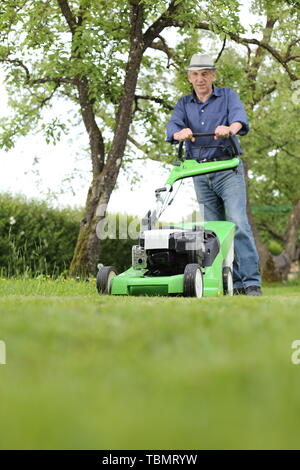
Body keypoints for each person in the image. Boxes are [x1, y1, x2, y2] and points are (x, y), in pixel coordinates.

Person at [166, 53, 262, 296]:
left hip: (227, 169)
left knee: (238, 224)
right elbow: (173, 127)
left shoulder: (227, 95)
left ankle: (250, 283)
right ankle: (231, 283)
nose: (201, 79)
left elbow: (240, 118)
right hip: (200, 172)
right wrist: (180, 133)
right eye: (196, 74)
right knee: (213, 232)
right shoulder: (184, 104)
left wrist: (230, 128)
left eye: (205, 73)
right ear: (190, 78)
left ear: (213, 75)